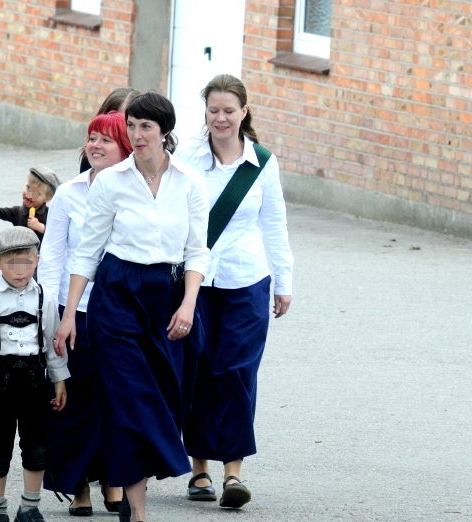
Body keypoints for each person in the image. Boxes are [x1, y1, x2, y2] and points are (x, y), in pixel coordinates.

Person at [54, 92, 210, 522]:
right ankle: (138, 512)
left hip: (168, 293)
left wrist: (189, 306)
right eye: (133, 126)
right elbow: (87, 252)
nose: (136, 135)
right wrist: (68, 315)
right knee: (128, 397)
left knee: (161, 395)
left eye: (146, 127)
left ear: (165, 132)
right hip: (117, 293)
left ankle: (134, 499)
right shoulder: (110, 181)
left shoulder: (190, 181)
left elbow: (198, 251)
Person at [174, 73, 294, 509]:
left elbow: (274, 225)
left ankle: (233, 473)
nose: (220, 118)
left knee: (238, 372)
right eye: (213, 110)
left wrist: (284, 282)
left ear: (244, 111)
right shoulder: (185, 156)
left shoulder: (263, 162)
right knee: (199, 370)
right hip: (195, 283)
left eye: (229, 110)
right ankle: (199, 468)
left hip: (247, 280)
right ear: (205, 113)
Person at [38, 111, 132, 516]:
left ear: (125, 148)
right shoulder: (70, 193)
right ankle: (78, 486)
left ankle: (113, 479)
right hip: (72, 310)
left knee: (114, 400)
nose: (94, 145)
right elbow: (52, 255)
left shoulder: (137, 191)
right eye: (91, 138)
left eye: (105, 140)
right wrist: (54, 312)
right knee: (73, 399)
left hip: (120, 311)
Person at [0, 226, 70, 522]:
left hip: (35, 380)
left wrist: (59, 380)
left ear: (37, 261)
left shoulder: (45, 298)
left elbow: (52, 343)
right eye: (11, 265)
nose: (20, 272)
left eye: (27, 264)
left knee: (37, 444)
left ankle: (30, 507)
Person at [0, 167, 60, 243]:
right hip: (19, 253)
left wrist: (41, 227)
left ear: (47, 198)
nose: (29, 194)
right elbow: (0, 213)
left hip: (40, 254)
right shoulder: (18, 211)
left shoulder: (50, 214)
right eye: (28, 187)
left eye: (36, 193)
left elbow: (57, 234)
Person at [78, 87, 140, 172]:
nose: (117, 124)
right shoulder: (92, 158)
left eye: (125, 122)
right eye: (111, 117)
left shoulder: (147, 164)